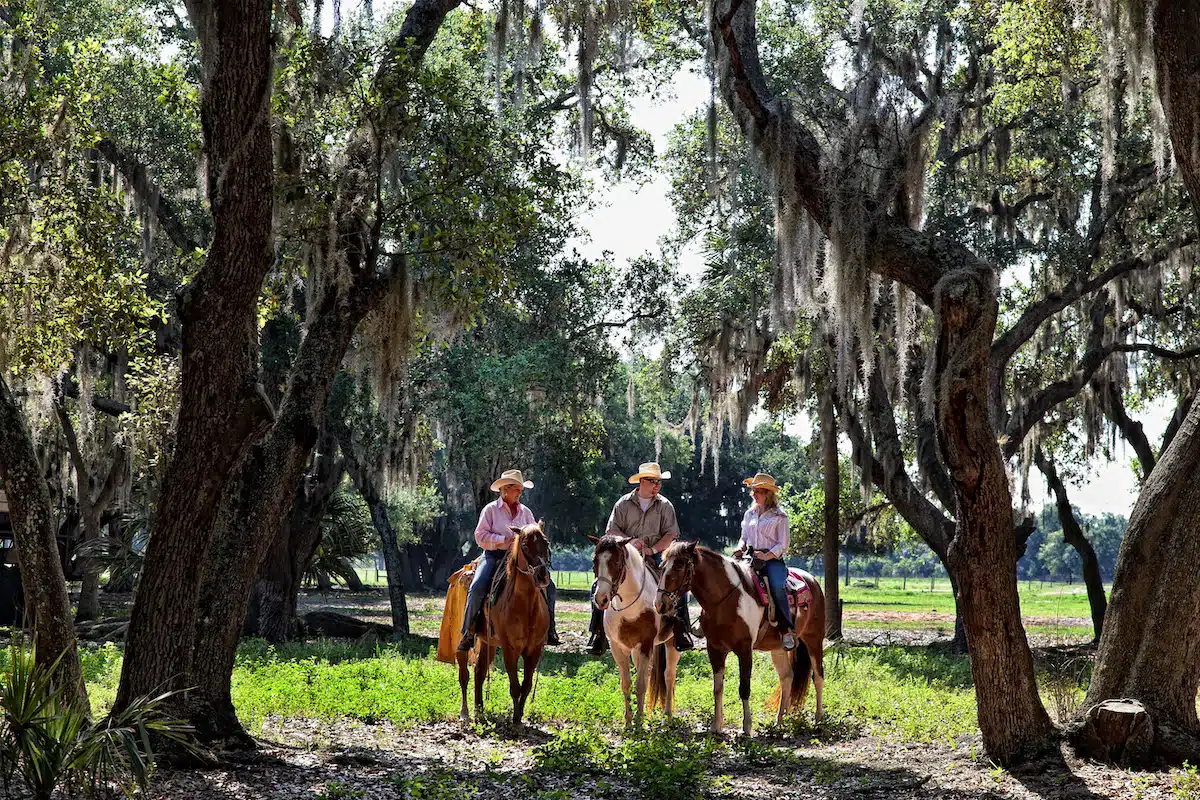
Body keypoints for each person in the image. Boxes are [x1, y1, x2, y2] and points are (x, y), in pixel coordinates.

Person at [587, 461, 694, 655]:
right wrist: (630, 542)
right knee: (597, 586)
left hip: (655, 555)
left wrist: (652, 550)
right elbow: (611, 530)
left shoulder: (665, 506)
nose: (657, 486)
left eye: (659, 482)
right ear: (642, 481)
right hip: (625, 558)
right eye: (653, 481)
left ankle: (681, 629)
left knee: (677, 586)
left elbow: (670, 535)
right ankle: (597, 633)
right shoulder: (623, 503)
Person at [458, 469, 560, 652]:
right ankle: (469, 632)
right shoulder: (490, 510)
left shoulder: (526, 512)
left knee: (549, 587)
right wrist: (503, 541)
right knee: (478, 586)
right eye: (516, 489)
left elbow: (534, 535)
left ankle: (550, 629)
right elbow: (480, 536)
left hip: (521, 560)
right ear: (504, 489)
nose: (519, 493)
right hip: (494, 556)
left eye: (521, 489)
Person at [732, 472, 796, 650]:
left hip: (772, 561)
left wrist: (766, 556)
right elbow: (744, 537)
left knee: (777, 586)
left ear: (768, 494)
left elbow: (783, 544)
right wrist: (741, 547)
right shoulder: (749, 514)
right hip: (749, 558)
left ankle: (786, 630)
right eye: (753, 491)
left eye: (758, 491)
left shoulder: (780, 516)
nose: (754, 494)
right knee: (730, 580)